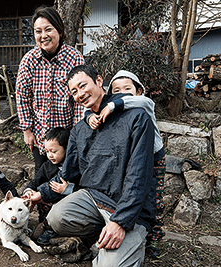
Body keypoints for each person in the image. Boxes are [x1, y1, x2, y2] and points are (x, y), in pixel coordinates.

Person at [42, 65, 156, 266]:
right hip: (94, 199)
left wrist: (120, 222)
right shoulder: (80, 128)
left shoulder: (137, 116)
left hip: (129, 210)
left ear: (99, 81)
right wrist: (39, 193)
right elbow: (68, 173)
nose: (80, 94)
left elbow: (139, 175)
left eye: (83, 85)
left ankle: (129, 241)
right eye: (74, 91)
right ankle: (97, 239)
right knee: (57, 216)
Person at [88, 70, 166, 258]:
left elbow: (141, 102)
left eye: (127, 89)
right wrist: (88, 117)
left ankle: (154, 238)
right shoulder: (117, 107)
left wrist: (114, 104)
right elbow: (91, 108)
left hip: (155, 158)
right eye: (117, 89)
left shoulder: (143, 103)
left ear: (139, 91)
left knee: (154, 196)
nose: (122, 93)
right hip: (133, 157)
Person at [16, 6, 85, 175]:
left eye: (48, 29)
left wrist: (75, 135)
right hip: (40, 136)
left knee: (68, 175)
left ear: (59, 31)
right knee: (42, 175)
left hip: (66, 135)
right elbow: (22, 96)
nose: (43, 35)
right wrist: (27, 130)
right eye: (38, 31)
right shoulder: (29, 61)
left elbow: (80, 100)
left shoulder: (74, 58)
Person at [21, 127, 76, 244]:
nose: (50, 155)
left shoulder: (74, 166)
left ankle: (53, 229)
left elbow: (83, 188)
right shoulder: (47, 166)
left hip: (66, 206)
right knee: (42, 200)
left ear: (66, 148)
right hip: (48, 204)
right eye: (47, 151)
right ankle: (44, 223)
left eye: (54, 152)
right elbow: (36, 181)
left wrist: (67, 190)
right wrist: (29, 191)